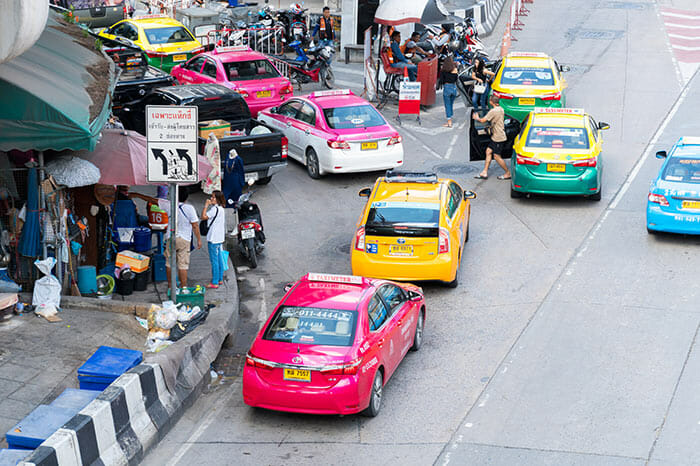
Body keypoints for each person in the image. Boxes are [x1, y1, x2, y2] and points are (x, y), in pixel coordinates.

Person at [130, 186, 201, 293]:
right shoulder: (189, 208)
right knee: (183, 264)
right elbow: (195, 225)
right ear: (186, 197)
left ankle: (170, 286)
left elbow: (151, 200)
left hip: (171, 237)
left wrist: (137, 195)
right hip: (185, 239)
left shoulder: (168, 205)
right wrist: (199, 239)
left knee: (169, 263)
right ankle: (184, 288)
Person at [472, 95, 511, 180]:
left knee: (497, 156)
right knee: (488, 151)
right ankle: (484, 172)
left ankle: (508, 173)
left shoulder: (493, 111)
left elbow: (483, 121)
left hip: (498, 137)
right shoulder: (501, 109)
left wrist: (477, 118)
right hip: (497, 135)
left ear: (491, 102)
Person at [201, 191, 226, 289]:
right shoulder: (221, 209)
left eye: (213, 197)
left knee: (214, 261)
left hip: (213, 238)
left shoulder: (214, 209)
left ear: (218, 199)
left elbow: (203, 217)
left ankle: (215, 281)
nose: (211, 199)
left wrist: (206, 206)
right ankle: (219, 279)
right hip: (219, 238)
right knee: (219, 259)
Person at [222, 149, 245, 235]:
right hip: (227, 183)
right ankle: (224, 226)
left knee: (236, 204)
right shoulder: (228, 157)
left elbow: (241, 172)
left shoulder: (238, 159)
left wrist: (241, 184)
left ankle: (236, 225)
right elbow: (225, 171)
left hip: (236, 184)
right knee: (224, 202)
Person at [441, 55, 459, 128]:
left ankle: (449, 122)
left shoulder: (443, 71)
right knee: (451, 104)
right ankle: (450, 115)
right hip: (454, 88)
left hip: (447, 87)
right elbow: (456, 79)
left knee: (447, 105)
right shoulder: (455, 70)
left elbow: (442, 81)